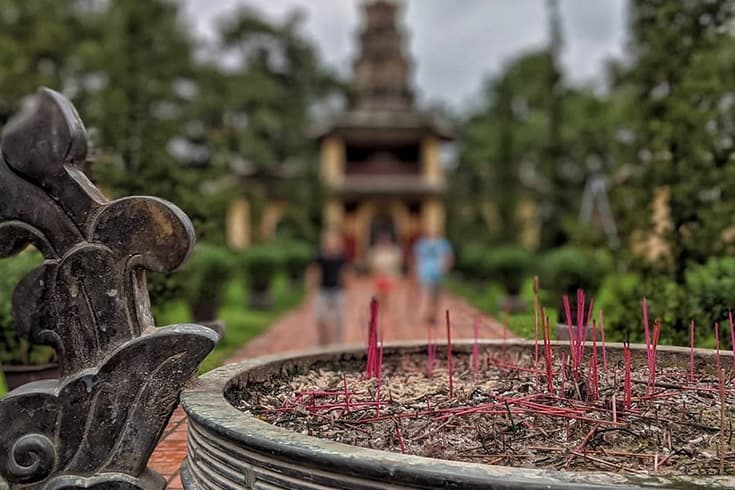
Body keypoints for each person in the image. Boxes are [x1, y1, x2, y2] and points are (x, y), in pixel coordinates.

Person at [309, 229, 350, 345]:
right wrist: (313, 287)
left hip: (337, 290)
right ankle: (323, 341)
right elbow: (314, 271)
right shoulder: (319, 256)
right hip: (323, 290)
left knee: (340, 318)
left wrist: (346, 285)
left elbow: (344, 271)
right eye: (329, 240)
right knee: (321, 317)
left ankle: (339, 342)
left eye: (334, 240)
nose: (332, 242)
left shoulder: (341, 256)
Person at [413, 227, 453, 325]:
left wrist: (445, 268)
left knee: (436, 296)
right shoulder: (421, 243)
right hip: (425, 273)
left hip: (438, 273)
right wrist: (416, 271)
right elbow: (417, 258)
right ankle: (425, 314)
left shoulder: (443, 243)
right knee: (426, 293)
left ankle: (433, 315)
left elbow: (449, 257)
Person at [368, 232, 403, 311]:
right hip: (379, 276)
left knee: (389, 295)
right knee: (379, 294)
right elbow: (372, 265)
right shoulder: (375, 251)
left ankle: (388, 310)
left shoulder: (394, 251)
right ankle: (380, 309)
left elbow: (397, 264)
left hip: (389, 276)